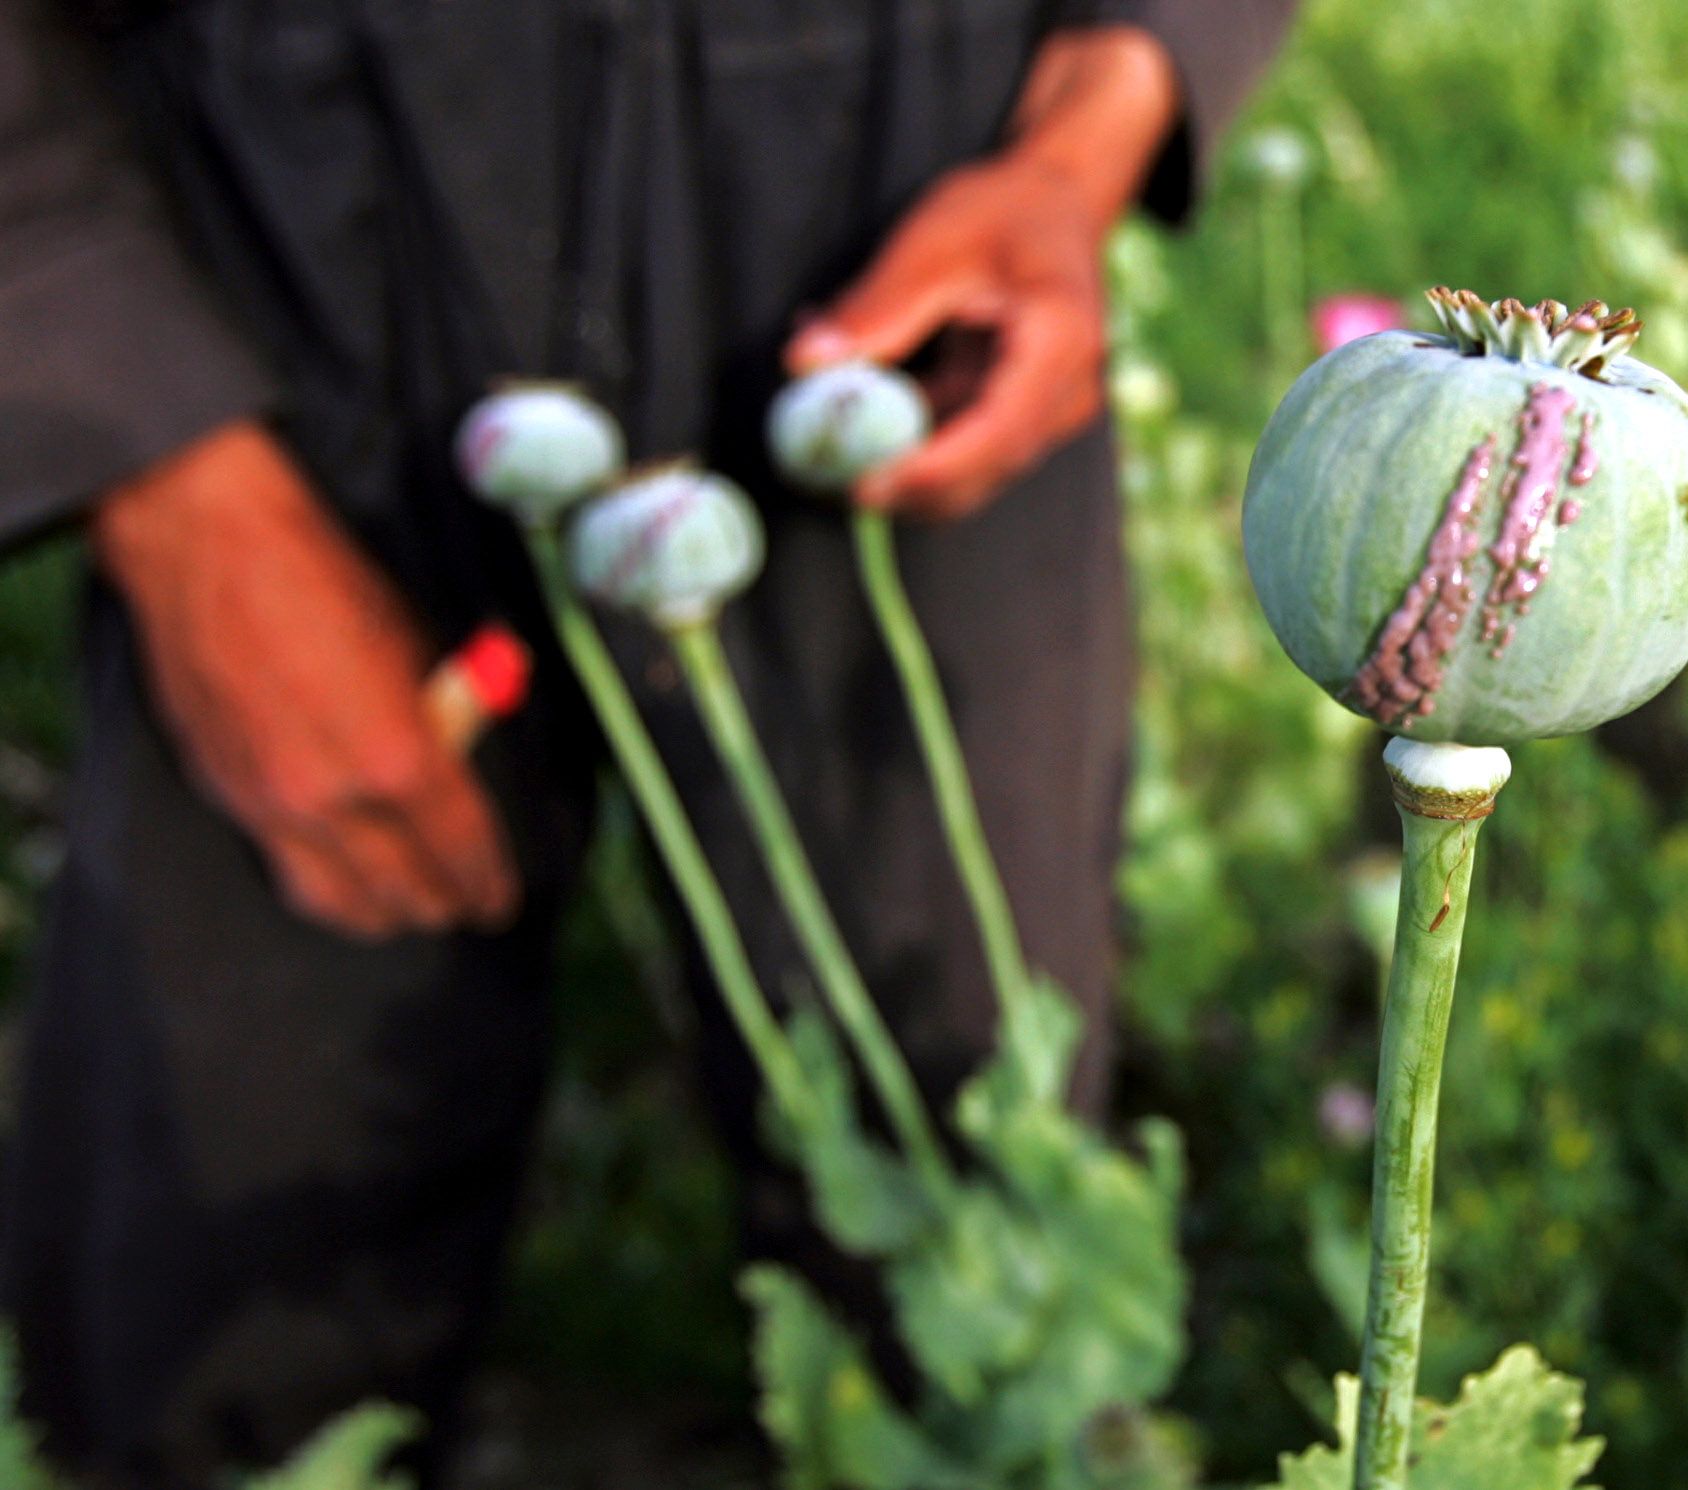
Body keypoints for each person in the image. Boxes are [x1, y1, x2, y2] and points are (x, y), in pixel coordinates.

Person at [0, 2, 1296, 1484]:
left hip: (900, 258)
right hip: (283, 261)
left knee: (965, 1249)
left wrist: (1089, 127)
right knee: (214, 1290)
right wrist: (168, 480)